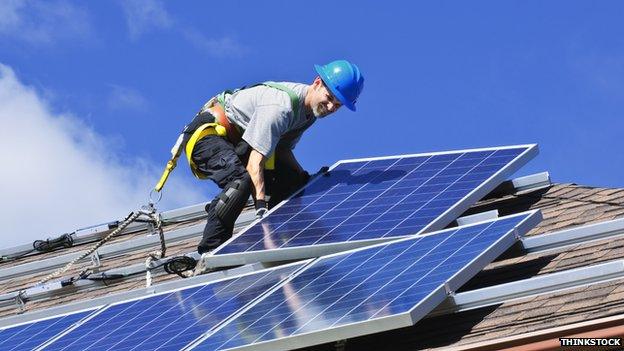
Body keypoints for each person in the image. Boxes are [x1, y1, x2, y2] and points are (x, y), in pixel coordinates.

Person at [179, 60, 364, 256]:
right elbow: (254, 163)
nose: (329, 107)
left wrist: (305, 178)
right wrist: (261, 209)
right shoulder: (282, 107)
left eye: (336, 105)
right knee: (239, 183)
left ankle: (286, 241)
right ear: (317, 82)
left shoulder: (309, 114)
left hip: (240, 144)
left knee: (294, 183)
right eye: (328, 98)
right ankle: (211, 253)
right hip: (208, 136)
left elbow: (282, 151)